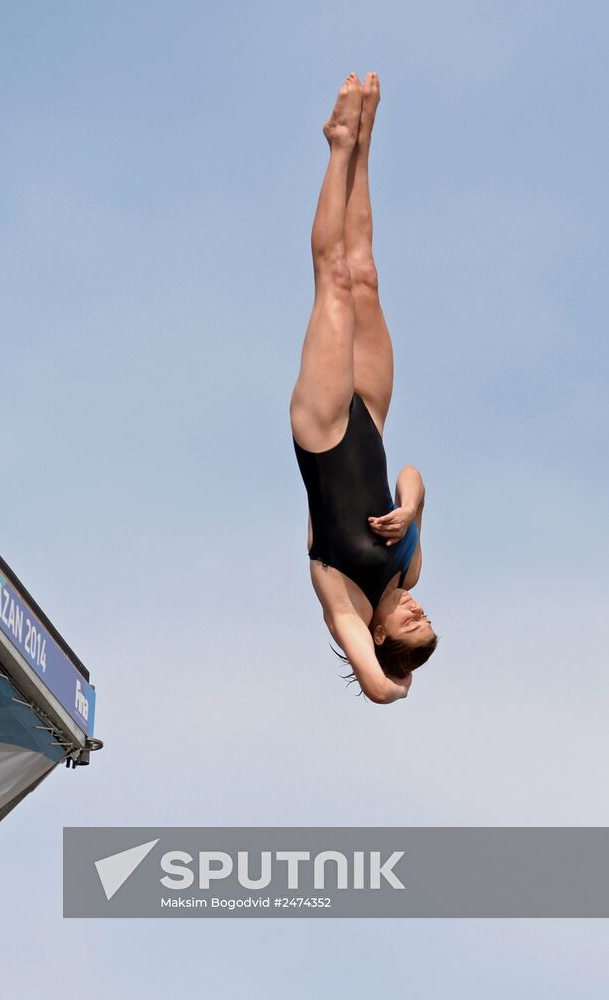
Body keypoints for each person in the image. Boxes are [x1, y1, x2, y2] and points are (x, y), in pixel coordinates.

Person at [290, 73, 438, 706]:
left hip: (322, 431)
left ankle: (339, 147)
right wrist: (410, 509)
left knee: (332, 281)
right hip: (371, 422)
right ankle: (365, 141)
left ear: (377, 634)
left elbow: (380, 690)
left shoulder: (344, 604)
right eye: (426, 612)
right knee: (364, 275)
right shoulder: (407, 566)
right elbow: (410, 474)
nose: (414, 603)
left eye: (410, 619)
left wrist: (400, 682)